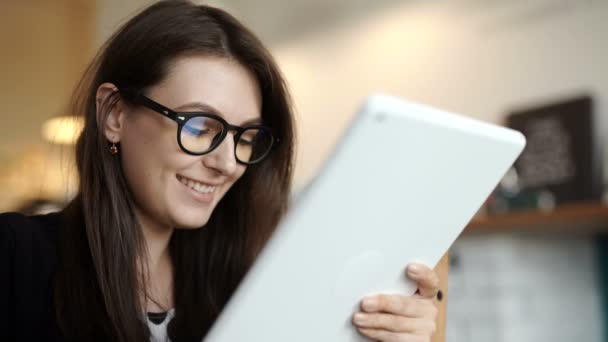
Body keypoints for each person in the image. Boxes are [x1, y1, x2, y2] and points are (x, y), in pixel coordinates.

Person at [0, 1, 440, 341]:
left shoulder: (250, 286)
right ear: (114, 114)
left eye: (245, 137)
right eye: (199, 126)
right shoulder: (16, 259)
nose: (227, 163)